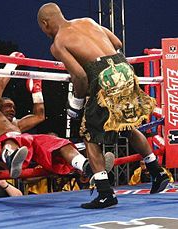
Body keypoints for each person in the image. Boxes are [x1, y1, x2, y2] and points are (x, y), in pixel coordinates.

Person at [37, 3, 170, 209]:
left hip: (103, 77)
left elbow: (80, 76)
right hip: (123, 68)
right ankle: (157, 173)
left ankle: (105, 193)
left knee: (89, 134)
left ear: (45, 24)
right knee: (125, 125)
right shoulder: (87, 21)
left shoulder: (58, 43)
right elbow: (116, 42)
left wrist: (76, 104)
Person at [0, 53, 115, 190]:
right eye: (8, 106)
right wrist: (12, 62)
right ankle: (11, 156)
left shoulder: (16, 124)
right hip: (5, 146)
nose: (12, 109)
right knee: (13, 138)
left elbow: (39, 116)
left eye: (14, 106)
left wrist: (36, 91)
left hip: (25, 146)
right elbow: (0, 84)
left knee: (58, 143)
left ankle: (88, 167)